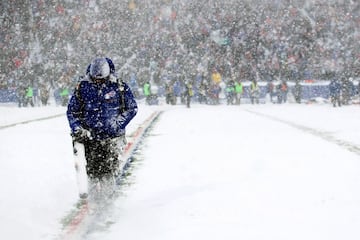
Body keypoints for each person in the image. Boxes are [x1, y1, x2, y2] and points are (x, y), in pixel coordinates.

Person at [66, 57, 138, 192]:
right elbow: (72, 112)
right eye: (95, 78)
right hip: (90, 137)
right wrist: (77, 128)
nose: (98, 80)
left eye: (101, 78)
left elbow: (132, 108)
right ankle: (94, 198)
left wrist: (118, 123)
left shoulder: (119, 86)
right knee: (92, 170)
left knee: (110, 169)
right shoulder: (82, 87)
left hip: (113, 138)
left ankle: (109, 197)